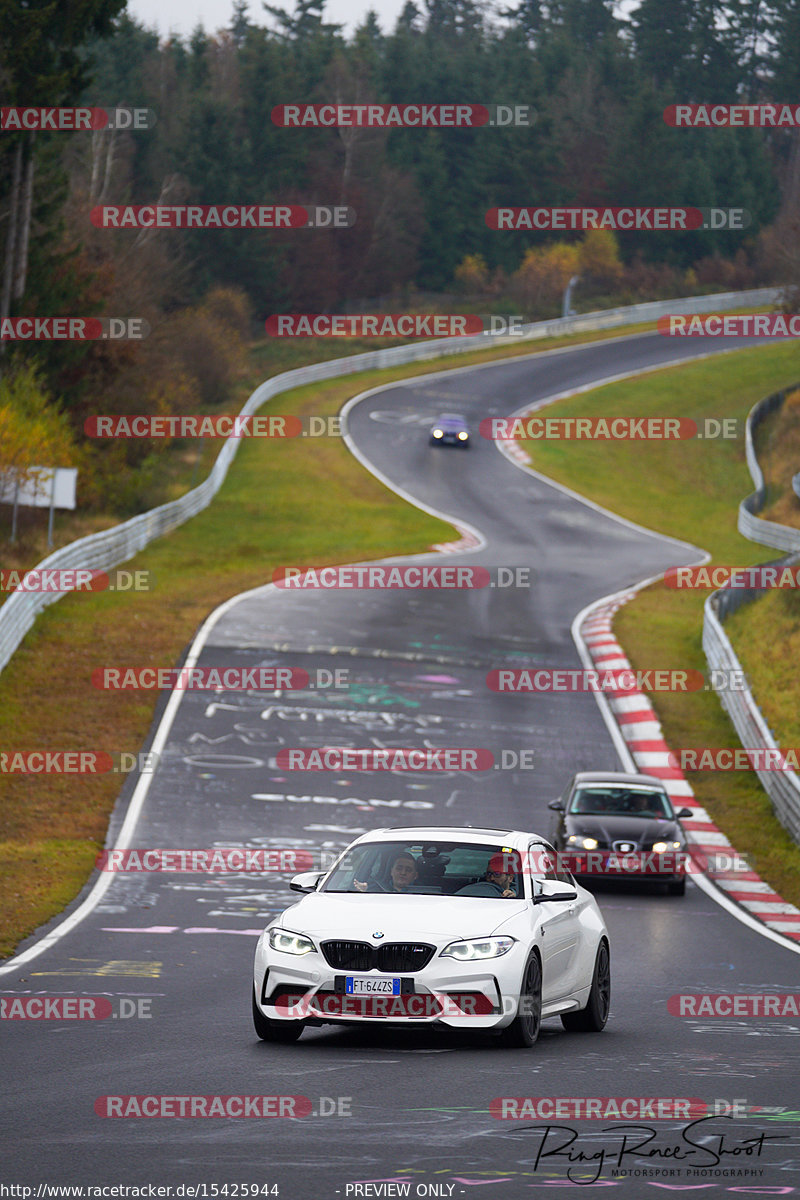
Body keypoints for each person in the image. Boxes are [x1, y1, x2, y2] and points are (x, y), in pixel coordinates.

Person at [353, 851, 419, 893]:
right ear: (391, 871)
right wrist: (365, 892)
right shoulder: (375, 890)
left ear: (415, 875)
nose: (403, 873)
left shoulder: (422, 895)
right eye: (399, 868)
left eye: (408, 870)